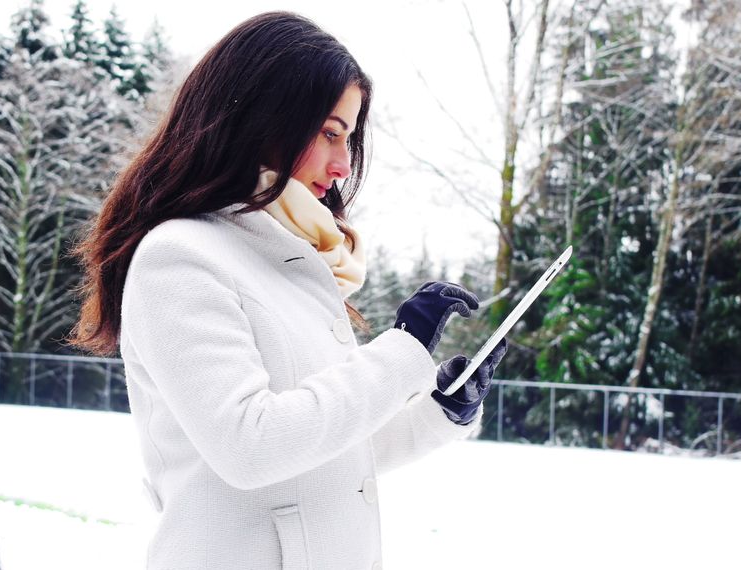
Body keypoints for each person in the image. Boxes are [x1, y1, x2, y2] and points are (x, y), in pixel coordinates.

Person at [70, 11, 507, 570]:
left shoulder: (293, 265)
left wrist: (441, 412)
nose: (343, 165)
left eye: (348, 139)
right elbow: (251, 446)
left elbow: (326, 452)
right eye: (330, 133)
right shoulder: (179, 258)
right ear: (264, 117)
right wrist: (403, 349)